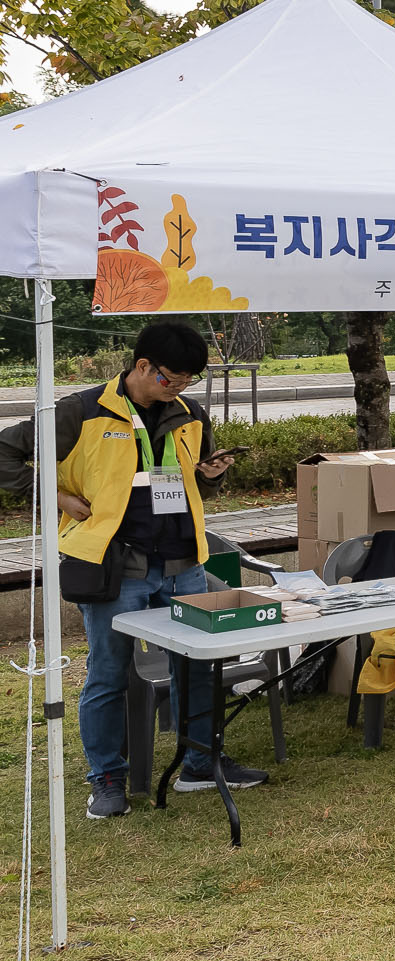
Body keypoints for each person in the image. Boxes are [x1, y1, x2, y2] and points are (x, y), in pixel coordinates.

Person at [0, 320, 252, 816]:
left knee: (196, 667)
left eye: (187, 383)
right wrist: (53, 495)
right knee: (109, 674)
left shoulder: (188, 414)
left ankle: (200, 764)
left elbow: (185, 485)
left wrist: (210, 477)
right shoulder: (81, 411)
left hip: (183, 563)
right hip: (118, 567)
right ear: (142, 366)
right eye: (171, 380)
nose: (178, 391)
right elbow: (5, 454)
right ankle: (107, 778)